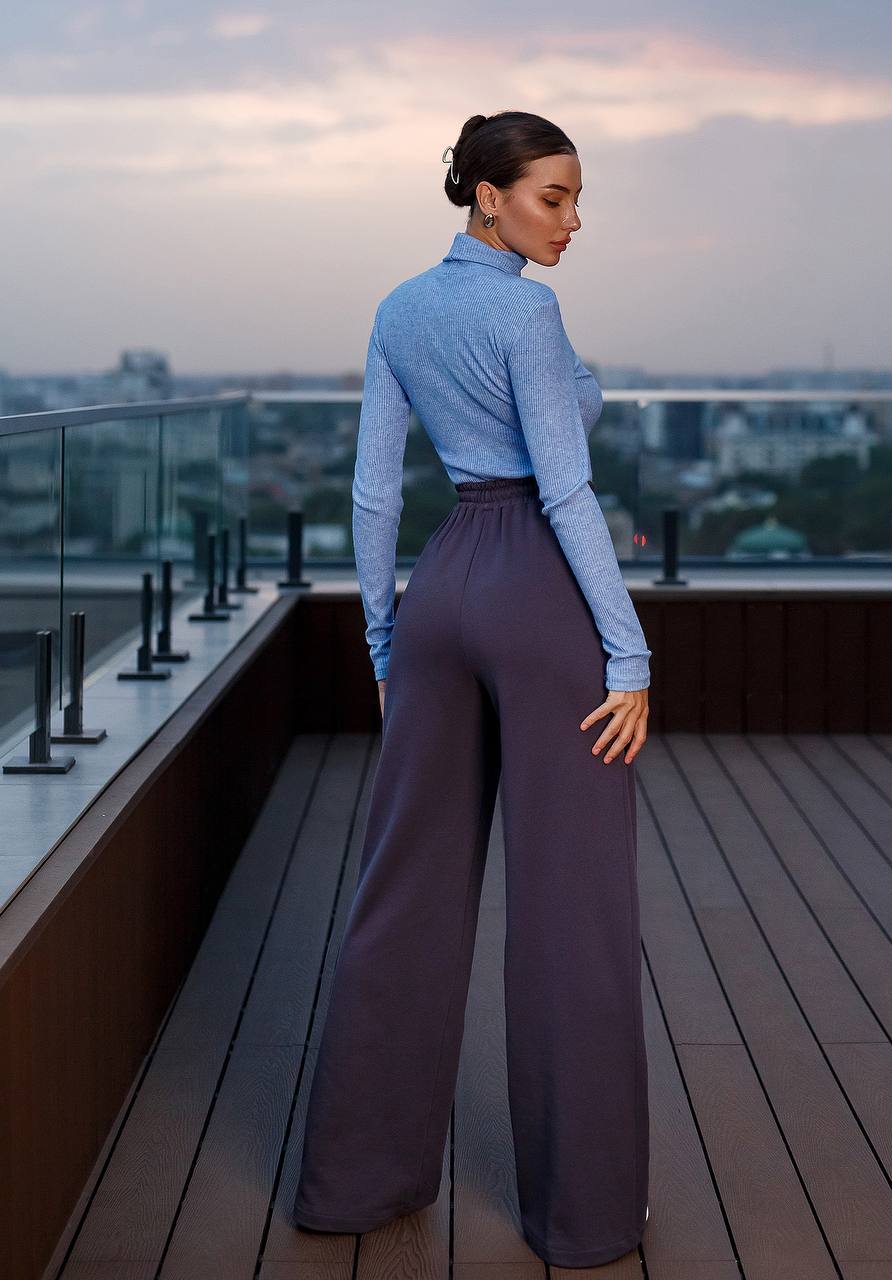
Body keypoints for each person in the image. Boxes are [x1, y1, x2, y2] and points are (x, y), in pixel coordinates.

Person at [292, 109, 652, 1269]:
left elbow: (371, 499)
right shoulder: (526, 309)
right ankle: (583, 1215)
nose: (574, 219)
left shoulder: (402, 309)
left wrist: (385, 645)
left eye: (576, 196)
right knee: (570, 914)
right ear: (487, 195)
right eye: (553, 196)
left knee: (401, 897)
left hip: (441, 586)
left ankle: (355, 1181)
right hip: (538, 597)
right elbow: (566, 494)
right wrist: (631, 654)